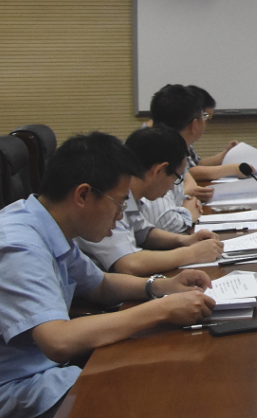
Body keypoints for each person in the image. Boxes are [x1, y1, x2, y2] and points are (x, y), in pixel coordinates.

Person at [0, 132, 216, 418]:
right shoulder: (20, 246)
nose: (120, 216)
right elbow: (58, 341)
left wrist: (162, 287)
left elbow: (100, 285)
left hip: (48, 373)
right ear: (83, 195)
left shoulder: (47, 224)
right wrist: (162, 310)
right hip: (20, 388)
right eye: (119, 203)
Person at [77, 127, 225, 276]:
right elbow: (129, 264)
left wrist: (184, 240)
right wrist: (192, 253)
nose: (172, 187)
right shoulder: (106, 198)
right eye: (176, 178)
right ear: (159, 170)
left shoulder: (132, 195)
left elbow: (143, 232)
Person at [140, 84, 208, 231]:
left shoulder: (174, 150)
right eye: (204, 116)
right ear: (194, 125)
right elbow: (165, 223)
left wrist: (185, 202)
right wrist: (188, 213)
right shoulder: (159, 153)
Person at [184, 85, 244, 183]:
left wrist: (225, 154)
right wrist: (233, 169)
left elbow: (197, 164)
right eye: (205, 118)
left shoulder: (186, 138)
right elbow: (189, 173)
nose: (205, 124)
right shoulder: (169, 138)